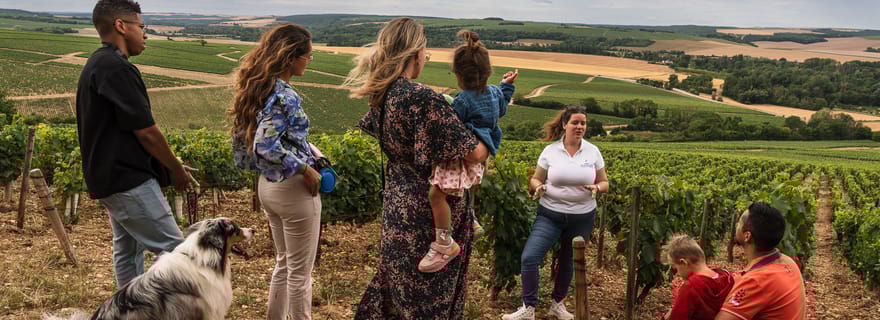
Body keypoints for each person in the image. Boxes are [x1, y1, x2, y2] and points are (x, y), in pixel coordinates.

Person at [345, 17, 489, 319]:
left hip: (397, 206)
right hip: (431, 217)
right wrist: (488, 140)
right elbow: (473, 154)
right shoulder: (423, 98)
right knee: (431, 296)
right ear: (416, 53)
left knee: (398, 290)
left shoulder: (383, 94)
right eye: (425, 50)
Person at [76, 0, 192, 288]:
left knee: (127, 251)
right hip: (128, 179)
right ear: (120, 26)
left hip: (108, 178)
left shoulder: (96, 63)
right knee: (178, 253)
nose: (146, 34)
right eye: (142, 27)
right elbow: (147, 133)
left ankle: (130, 311)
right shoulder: (117, 69)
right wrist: (176, 168)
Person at [229, 23, 322, 320]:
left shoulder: (260, 89)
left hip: (267, 185)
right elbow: (266, 145)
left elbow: (259, 144)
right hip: (292, 188)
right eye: (308, 55)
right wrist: (305, 168)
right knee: (300, 273)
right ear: (291, 57)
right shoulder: (285, 96)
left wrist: (309, 150)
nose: (309, 61)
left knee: (284, 263)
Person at [419, 29, 519, 273]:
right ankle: (469, 217)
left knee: (437, 194)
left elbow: (452, 125)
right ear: (488, 72)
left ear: (459, 75)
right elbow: (503, 108)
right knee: (460, 188)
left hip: (464, 154)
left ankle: (444, 242)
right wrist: (506, 87)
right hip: (485, 149)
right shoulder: (494, 93)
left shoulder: (463, 99)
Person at [503, 106, 609, 320]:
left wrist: (597, 188)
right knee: (530, 257)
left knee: (568, 261)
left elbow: (605, 182)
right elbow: (535, 179)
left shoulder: (593, 151)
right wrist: (538, 187)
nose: (579, 126)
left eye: (583, 123)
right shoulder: (551, 151)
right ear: (564, 125)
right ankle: (528, 308)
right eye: (575, 122)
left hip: (582, 217)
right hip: (550, 214)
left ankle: (557, 304)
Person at [715, 202, 806, 320]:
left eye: (740, 222)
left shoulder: (756, 281)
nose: (737, 224)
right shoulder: (788, 262)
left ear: (747, 236)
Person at [662, 234, 736, 320]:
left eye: (676, 268)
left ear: (684, 263)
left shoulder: (690, 287)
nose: (677, 273)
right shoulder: (728, 278)